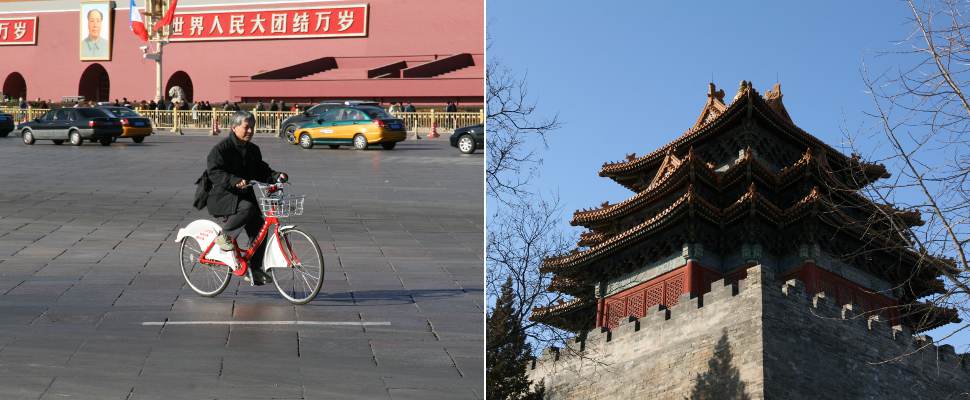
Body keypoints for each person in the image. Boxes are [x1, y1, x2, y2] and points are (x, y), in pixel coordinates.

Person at [206, 111, 288, 285]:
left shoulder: (253, 150)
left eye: (252, 126)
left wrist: (276, 176)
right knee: (248, 208)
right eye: (246, 127)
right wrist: (234, 181)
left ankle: (255, 268)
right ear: (234, 127)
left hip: (244, 195)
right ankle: (224, 236)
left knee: (260, 229)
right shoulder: (222, 149)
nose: (250, 130)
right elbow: (214, 172)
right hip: (224, 196)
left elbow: (261, 169)